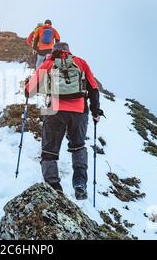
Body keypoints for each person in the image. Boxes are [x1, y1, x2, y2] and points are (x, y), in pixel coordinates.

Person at [25, 42, 102, 200]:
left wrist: (27, 88)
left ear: (53, 51)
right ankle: (80, 183)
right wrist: (95, 111)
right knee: (78, 146)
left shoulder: (49, 63)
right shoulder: (80, 62)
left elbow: (30, 90)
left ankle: (54, 188)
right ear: (68, 51)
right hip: (79, 111)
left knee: (49, 151)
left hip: (54, 110)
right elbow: (94, 88)